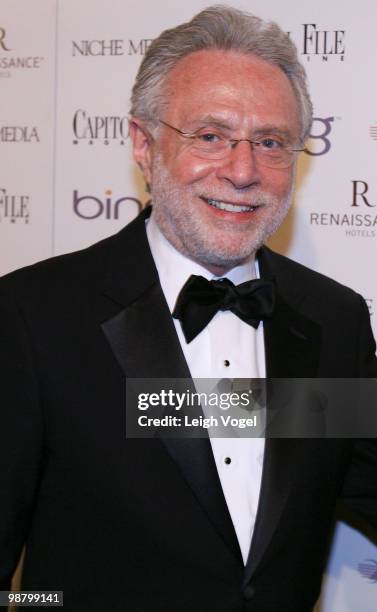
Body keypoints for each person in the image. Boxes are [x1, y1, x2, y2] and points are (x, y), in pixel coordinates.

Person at [1, 5, 376, 611]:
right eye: (210, 136)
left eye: (271, 142)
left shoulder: (333, 321)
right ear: (143, 144)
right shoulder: (32, 318)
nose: (243, 170)